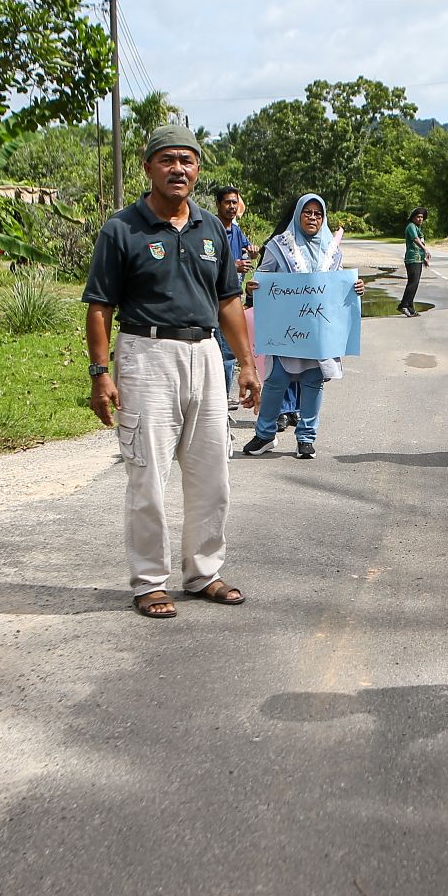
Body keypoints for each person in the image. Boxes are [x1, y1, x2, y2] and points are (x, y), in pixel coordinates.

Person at [84, 121, 259, 619]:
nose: (177, 169)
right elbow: (100, 307)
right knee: (148, 476)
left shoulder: (212, 229)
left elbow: (228, 302)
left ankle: (204, 572)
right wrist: (100, 373)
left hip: (205, 354)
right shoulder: (122, 229)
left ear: (197, 169)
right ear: (148, 168)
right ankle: (149, 582)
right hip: (146, 355)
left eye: (186, 160)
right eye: (167, 160)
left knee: (213, 474)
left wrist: (247, 365)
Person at [241, 194, 362, 459]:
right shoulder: (278, 246)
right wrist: (253, 288)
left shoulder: (332, 250)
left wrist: (355, 288)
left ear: (323, 218)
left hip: (317, 333)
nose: (312, 218)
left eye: (318, 214)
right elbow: (264, 276)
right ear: (298, 214)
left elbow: (338, 286)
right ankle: (265, 435)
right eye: (307, 212)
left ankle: (306, 438)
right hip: (286, 332)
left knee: (313, 382)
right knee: (276, 381)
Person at [215, 185, 256, 408]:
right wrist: (234, 265)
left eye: (234, 203)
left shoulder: (236, 231)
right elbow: (207, 262)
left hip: (233, 299)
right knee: (220, 352)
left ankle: (223, 396)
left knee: (228, 351)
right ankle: (219, 398)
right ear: (218, 204)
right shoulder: (212, 229)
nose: (231, 207)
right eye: (227, 202)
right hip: (214, 300)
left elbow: (247, 250)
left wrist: (252, 252)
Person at [399, 207, 430, 316]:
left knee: (414, 283)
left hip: (418, 258)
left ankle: (410, 308)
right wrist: (425, 249)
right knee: (413, 283)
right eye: (418, 217)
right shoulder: (411, 226)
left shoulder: (417, 228)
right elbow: (415, 239)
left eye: (422, 217)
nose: (420, 219)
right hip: (412, 259)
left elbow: (420, 241)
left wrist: (424, 258)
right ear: (413, 217)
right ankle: (403, 305)